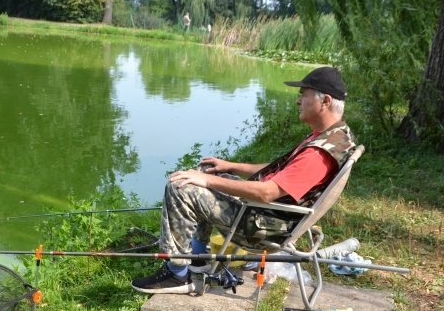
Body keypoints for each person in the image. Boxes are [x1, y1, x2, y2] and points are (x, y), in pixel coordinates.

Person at [131, 66, 357, 294]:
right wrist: (230, 167)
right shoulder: (332, 137)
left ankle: (176, 274)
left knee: (181, 187)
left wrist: (207, 182)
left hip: (261, 227)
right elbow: (283, 174)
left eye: (304, 95)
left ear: (325, 101)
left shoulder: (319, 154)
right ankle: (197, 259)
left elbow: (267, 192)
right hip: (264, 214)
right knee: (207, 171)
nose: (298, 101)